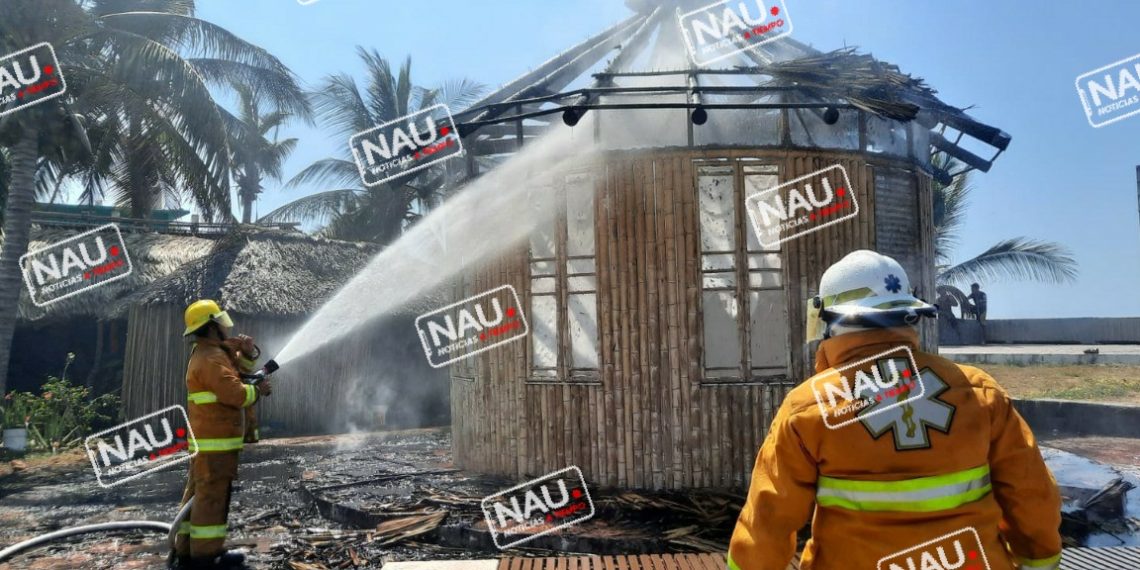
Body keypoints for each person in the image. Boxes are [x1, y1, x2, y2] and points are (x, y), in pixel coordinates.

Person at [727, 250, 1061, 570]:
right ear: (909, 314)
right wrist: (1039, 561)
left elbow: (769, 518)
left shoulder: (809, 407)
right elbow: (1029, 492)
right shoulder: (979, 392)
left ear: (829, 320)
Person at [171, 300, 273, 569]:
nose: (225, 328)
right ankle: (206, 557)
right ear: (212, 327)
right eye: (220, 322)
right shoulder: (211, 358)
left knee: (198, 496)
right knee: (212, 500)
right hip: (213, 446)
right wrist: (258, 391)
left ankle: (185, 552)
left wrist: (249, 354)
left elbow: (239, 374)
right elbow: (236, 393)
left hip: (210, 444)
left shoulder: (211, 354)